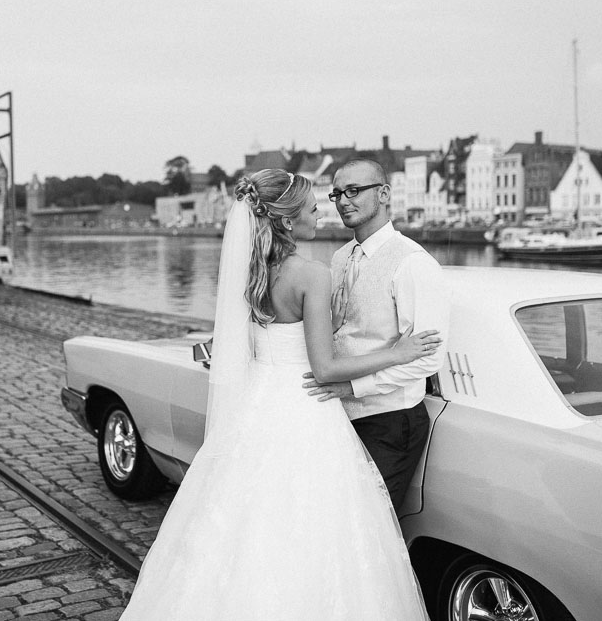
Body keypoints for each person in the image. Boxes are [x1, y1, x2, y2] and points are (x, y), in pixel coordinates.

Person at [119, 169, 439, 620]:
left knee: (246, 524)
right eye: (313, 207)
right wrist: (397, 352)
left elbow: (246, 344)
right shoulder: (312, 273)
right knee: (318, 531)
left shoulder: (250, 274)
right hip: (306, 406)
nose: (322, 211)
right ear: (287, 221)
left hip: (260, 405)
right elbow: (324, 367)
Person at [304, 158, 449, 512]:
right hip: (338, 415)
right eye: (337, 193)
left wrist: (353, 388)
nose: (342, 201)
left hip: (390, 422)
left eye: (354, 191)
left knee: (371, 524)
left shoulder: (414, 263)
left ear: (384, 194)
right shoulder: (340, 258)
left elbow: (428, 357)